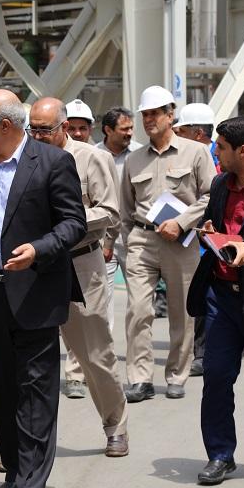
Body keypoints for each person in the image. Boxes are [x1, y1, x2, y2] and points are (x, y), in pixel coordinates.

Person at [0, 89, 86, 488]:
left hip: (34, 291)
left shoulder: (52, 162)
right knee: (2, 388)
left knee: (36, 389)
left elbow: (73, 223)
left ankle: (33, 483)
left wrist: (39, 249)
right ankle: (13, 472)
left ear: (6, 126)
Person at [29, 97, 129, 457]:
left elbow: (110, 212)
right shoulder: (24, 159)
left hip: (80, 264)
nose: (37, 136)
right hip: (35, 267)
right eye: (32, 129)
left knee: (95, 355)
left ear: (64, 128)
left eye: (45, 130)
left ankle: (116, 426)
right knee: (31, 360)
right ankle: (26, 444)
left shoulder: (91, 158)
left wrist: (65, 223)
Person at [186, 115, 244, 488]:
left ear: (243, 151)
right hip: (221, 298)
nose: (215, 153)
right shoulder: (221, 183)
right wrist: (209, 233)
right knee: (217, 379)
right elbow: (215, 224)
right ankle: (220, 454)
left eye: (220, 147)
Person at [120, 86, 216, 403]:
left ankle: (176, 374)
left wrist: (182, 222)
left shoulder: (196, 152)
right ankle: (140, 379)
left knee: (182, 312)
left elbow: (210, 196)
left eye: (155, 113)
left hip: (181, 243)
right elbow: (125, 208)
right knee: (137, 311)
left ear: (170, 115)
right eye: (145, 114)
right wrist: (130, 241)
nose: (149, 119)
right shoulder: (134, 160)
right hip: (142, 241)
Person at [173, 102, 218, 378]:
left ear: (198, 133)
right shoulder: (182, 156)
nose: (176, 136)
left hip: (214, 237)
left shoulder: (221, 157)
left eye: (182, 131)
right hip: (190, 237)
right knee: (200, 295)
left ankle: (205, 351)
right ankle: (200, 352)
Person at [95, 106, 144, 333]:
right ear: (108, 130)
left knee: (140, 302)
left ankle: (137, 347)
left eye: (131, 128)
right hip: (101, 239)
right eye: (124, 129)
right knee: (101, 301)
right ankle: (105, 349)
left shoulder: (140, 156)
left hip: (133, 239)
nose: (129, 133)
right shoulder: (93, 155)